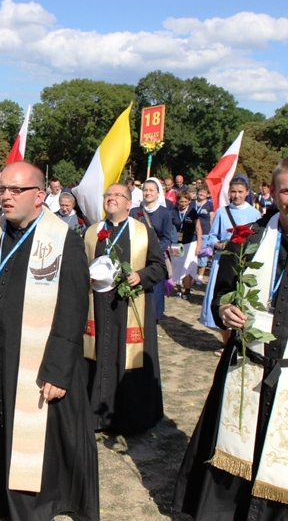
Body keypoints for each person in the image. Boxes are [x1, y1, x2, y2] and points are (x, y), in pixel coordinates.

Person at [173, 154, 288, 521]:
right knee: (231, 448)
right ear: (273, 192)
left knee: (286, 460)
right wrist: (226, 311)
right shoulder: (247, 239)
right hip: (246, 366)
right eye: (287, 191)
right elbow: (221, 295)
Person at [0, 161, 98, 521]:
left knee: (29, 435)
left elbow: (73, 309)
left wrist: (59, 369)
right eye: (2, 189)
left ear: (38, 195)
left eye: (15, 190)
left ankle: (26, 507)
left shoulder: (62, 238)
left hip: (34, 354)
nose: (5, 196)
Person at [84, 183, 167, 434]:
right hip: (98, 306)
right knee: (97, 355)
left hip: (130, 305)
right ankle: (95, 416)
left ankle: (130, 418)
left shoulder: (142, 231)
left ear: (129, 203)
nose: (110, 198)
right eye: (107, 194)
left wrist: (141, 276)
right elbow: (79, 265)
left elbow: (160, 267)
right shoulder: (91, 233)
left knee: (128, 359)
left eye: (117, 195)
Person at [199, 176, 261, 356]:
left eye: (240, 192)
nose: (237, 195)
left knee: (242, 301)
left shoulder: (254, 214)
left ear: (247, 193)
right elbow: (211, 237)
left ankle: (242, 343)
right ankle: (227, 344)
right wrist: (221, 245)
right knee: (224, 301)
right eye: (233, 191)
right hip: (223, 262)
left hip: (243, 263)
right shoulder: (221, 212)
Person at [129, 178, 174, 321]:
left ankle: (154, 318)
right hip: (137, 256)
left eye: (151, 190)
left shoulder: (165, 213)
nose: (148, 193)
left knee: (155, 292)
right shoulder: (135, 212)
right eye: (145, 190)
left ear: (157, 193)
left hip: (155, 258)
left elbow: (167, 237)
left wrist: (153, 252)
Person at [171, 190, 203, 299]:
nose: (183, 204)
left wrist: (199, 245)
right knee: (176, 265)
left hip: (191, 242)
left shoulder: (192, 212)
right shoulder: (173, 212)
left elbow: (198, 229)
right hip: (176, 243)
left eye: (185, 201)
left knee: (188, 265)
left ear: (189, 201)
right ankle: (178, 289)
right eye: (181, 201)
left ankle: (187, 290)